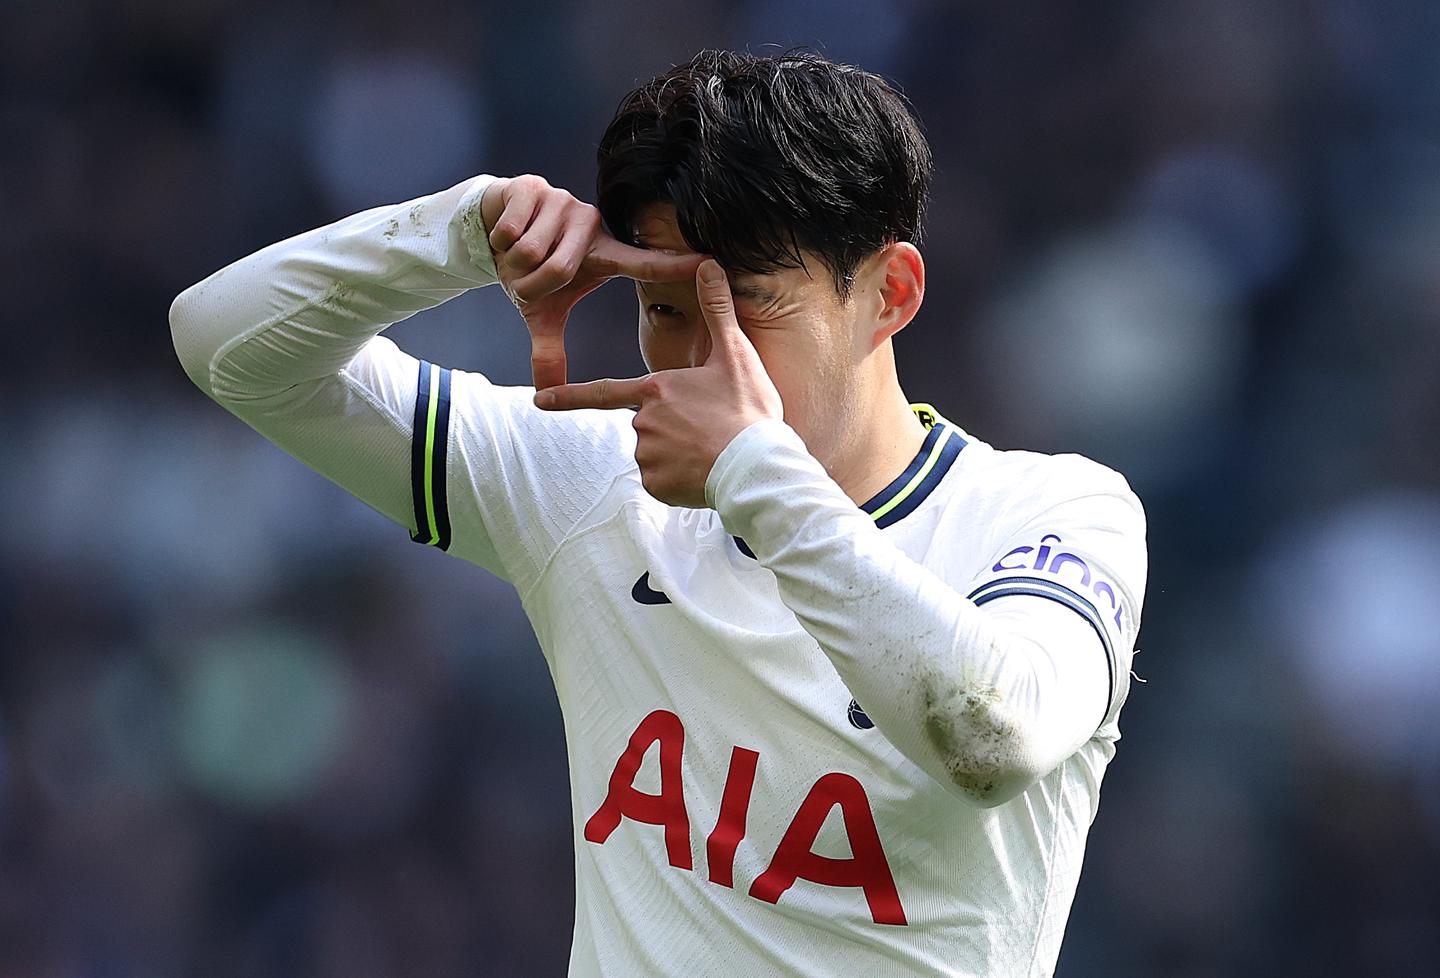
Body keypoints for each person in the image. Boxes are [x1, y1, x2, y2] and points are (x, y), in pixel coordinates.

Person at [170, 48, 1147, 978]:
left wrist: (751, 472)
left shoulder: (1054, 514)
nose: (693, 362)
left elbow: (991, 736)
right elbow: (226, 345)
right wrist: (456, 235)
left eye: (749, 308)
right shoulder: (592, 482)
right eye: (667, 306)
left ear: (888, 294)